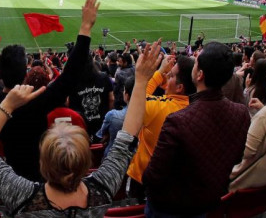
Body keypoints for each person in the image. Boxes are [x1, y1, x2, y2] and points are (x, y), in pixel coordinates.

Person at [0, 41, 160, 216]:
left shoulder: (22, 195)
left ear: (43, 163)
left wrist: (8, 105)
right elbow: (127, 138)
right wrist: (142, 80)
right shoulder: (101, 189)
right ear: (86, 164)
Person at [0, 0, 98, 181]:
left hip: (12, 175)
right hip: (42, 175)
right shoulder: (40, 100)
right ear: (25, 73)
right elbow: (71, 74)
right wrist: (85, 27)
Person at [143, 42, 251, 217]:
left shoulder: (178, 121)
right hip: (207, 204)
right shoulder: (242, 114)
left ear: (200, 74)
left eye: (196, 61)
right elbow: (235, 156)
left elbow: (152, 177)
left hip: (170, 208)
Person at [127, 54, 194, 202]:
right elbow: (169, 92)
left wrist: (159, 72)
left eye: (170, 76)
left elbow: (137, 100)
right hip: (174, 181)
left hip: (144, 178)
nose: (167, 78)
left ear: (180, 87)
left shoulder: (160, 109)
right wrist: (166, 77)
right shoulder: (194, 107)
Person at [97, 77, 133, 157]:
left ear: (126, 95)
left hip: (112, 157)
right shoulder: (151, 114)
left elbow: (102, 135)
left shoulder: (112, 115)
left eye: (124, 90)